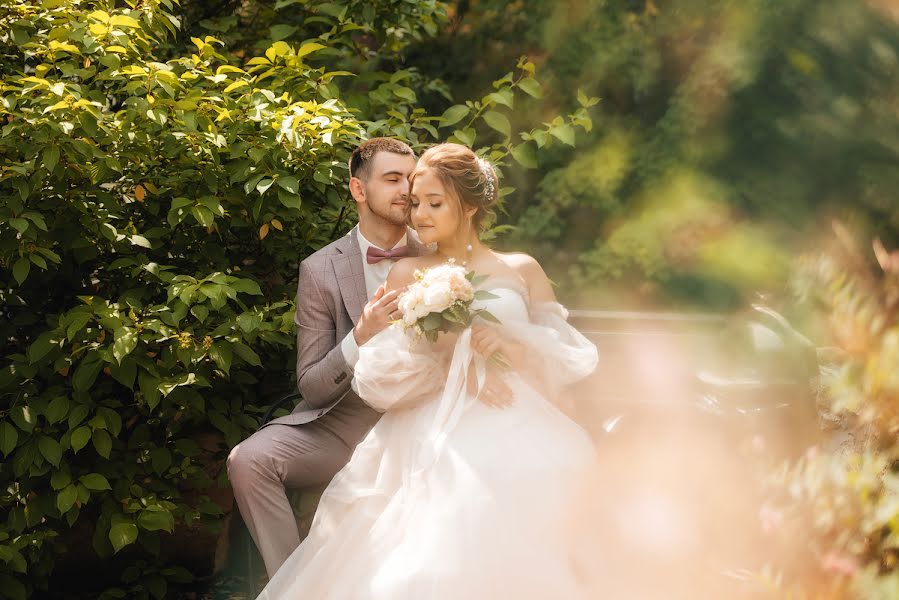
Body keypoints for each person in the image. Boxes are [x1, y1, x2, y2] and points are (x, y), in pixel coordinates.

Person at [257, 143, 599, 599]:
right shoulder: (407, 274)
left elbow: (562, 352)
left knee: (549, 466)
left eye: (433, 204)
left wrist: (512, 346)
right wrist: (451, 358)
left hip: (520, 407)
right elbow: (379, 376)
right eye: (416, 203)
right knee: (459, 490)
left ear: (471, 205)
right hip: (438, 415)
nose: (419, 215)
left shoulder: (522, 268)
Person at [227, 137, 425, 577]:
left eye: (412, 179)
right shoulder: (320, 269)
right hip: (343, 427)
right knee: (249, 459)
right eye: (392, 179)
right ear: (358, 190)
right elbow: (313, 386)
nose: (406, 191)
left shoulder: (438, 255)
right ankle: (292, 583)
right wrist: (361, 336)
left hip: (421, 420)